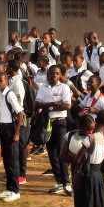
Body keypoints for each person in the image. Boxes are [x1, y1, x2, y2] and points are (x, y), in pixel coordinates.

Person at [37, 65, 73, 196]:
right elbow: (37, 103)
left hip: (60, 123)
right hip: (47, 123)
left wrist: (48, 107)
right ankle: (58, 181)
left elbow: (67, 105)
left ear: (60, 75)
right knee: (51, 152)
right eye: (51, 73)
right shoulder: (42, 87)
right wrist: (53, 104)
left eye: (56, 73)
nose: (53, 75)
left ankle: (66, 183)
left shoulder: (64, 87)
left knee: (62, 152)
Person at [0, 72, 23, 203]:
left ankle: (15, 190)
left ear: (7, 82)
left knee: (13, 160)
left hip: (10, 128)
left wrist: (16, 132)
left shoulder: (9, 94)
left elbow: (20, 113)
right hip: (2, 128)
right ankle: (9, 187)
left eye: (1, 81)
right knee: (7, 159)